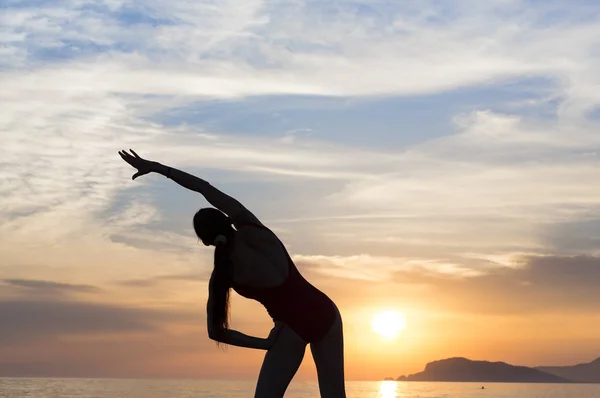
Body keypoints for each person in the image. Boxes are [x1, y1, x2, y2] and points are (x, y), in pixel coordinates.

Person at [119, 149, 346, 398]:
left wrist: (264, 344)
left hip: (290, 327)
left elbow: (215, 332)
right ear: (227, 220)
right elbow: (204, 187)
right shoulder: (251, 227)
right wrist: (158, 167)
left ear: (205, 242)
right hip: (325, 311)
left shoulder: (223, 275)